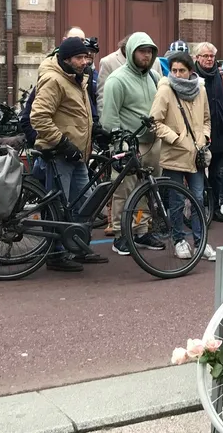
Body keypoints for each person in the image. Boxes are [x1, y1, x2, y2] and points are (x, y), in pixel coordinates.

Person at [31, 37, 107, 270]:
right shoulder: (54, 81)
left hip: (78, 155)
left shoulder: (77, 79)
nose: (85, 61)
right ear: (66, 59)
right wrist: (63, 144)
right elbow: (39, 117)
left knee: (83, 203)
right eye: (79, 57)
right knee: (58, 208)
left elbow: (77, 115)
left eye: (86, 57)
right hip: (59, 155)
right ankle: (55, 255)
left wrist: (98, 132)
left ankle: (77, 248)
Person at [102, 32, 167, 255]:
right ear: (131, 52)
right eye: (142, 51)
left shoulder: (155, 78)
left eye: (149, 51)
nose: (146, 56)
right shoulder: (117, 80)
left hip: (152, 144)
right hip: (128, 146)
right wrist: (121, 145)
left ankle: (140, 230)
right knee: (123, 191)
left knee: (145, 191)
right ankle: (121, 234)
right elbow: (109, 118)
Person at [150, 51, 215, 261]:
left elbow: (206, 119)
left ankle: (200, 241)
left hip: (196, 155)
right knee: (177, 201)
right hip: (174, 154)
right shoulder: (165, 90)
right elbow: (154, 122)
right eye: (174, 70)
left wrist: (204, 137)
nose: (177, 74)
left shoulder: (201, 90)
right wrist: (177, 139)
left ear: (190, 71)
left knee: (197, 199)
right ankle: (178, 240)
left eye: (182, 70)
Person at [193, 42, 223, 222]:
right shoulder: (192, 76)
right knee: (198, 174)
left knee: (219, 173)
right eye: (205, 56)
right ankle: (200, 211)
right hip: (199, 132)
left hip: (221, 132)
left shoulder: (222, 76)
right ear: (197, 58)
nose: (209, 59)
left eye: (211, 56)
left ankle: (216, 207)